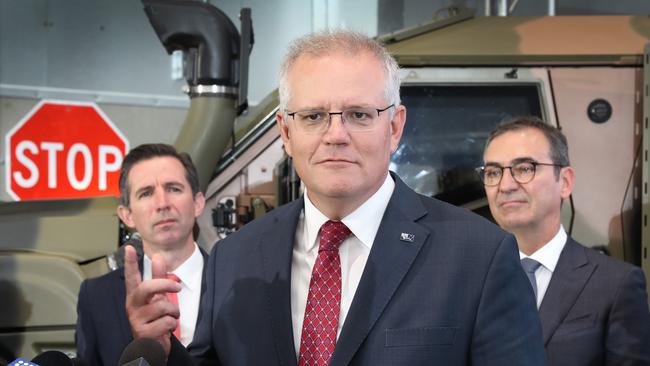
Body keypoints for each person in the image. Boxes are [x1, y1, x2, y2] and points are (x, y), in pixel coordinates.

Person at [125, 30, 546, 365]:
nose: (336, 135)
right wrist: (161, 352)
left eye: (359, 115)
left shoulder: (479, 257)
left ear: (395, 127)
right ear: (286, 133)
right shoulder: (235, 259)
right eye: (313, 117)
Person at [479, 117, 650, 366]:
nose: (505, 185)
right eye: (493, 172)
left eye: (525, 168)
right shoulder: (468, 280)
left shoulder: (615, 284)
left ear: (565, 181)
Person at [75, 143, 208, 366]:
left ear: (197, 203)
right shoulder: (96, 296)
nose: (162, 204)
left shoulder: (236, 283)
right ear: (127, 215)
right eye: (146, 193)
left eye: (174, 189)